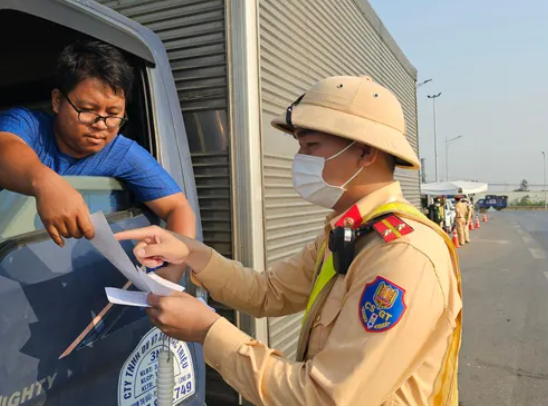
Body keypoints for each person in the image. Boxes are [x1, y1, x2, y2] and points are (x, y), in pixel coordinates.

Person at [116, 76, 463, 405]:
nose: (301, 160)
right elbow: (268, 292)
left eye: (311, 145)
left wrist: (209, 331)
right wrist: (191, 252)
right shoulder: (350, 233)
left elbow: (326, 398)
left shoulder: (402, 254)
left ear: (366, 152)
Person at [0, 40, 196, 281]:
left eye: (113, 114)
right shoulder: (28, 125)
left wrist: (174, 268)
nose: (101, 124)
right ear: (58, 101)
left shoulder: (121, 152)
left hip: (73, 277)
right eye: (88, 110)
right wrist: (45, 183)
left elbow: (178, 208)